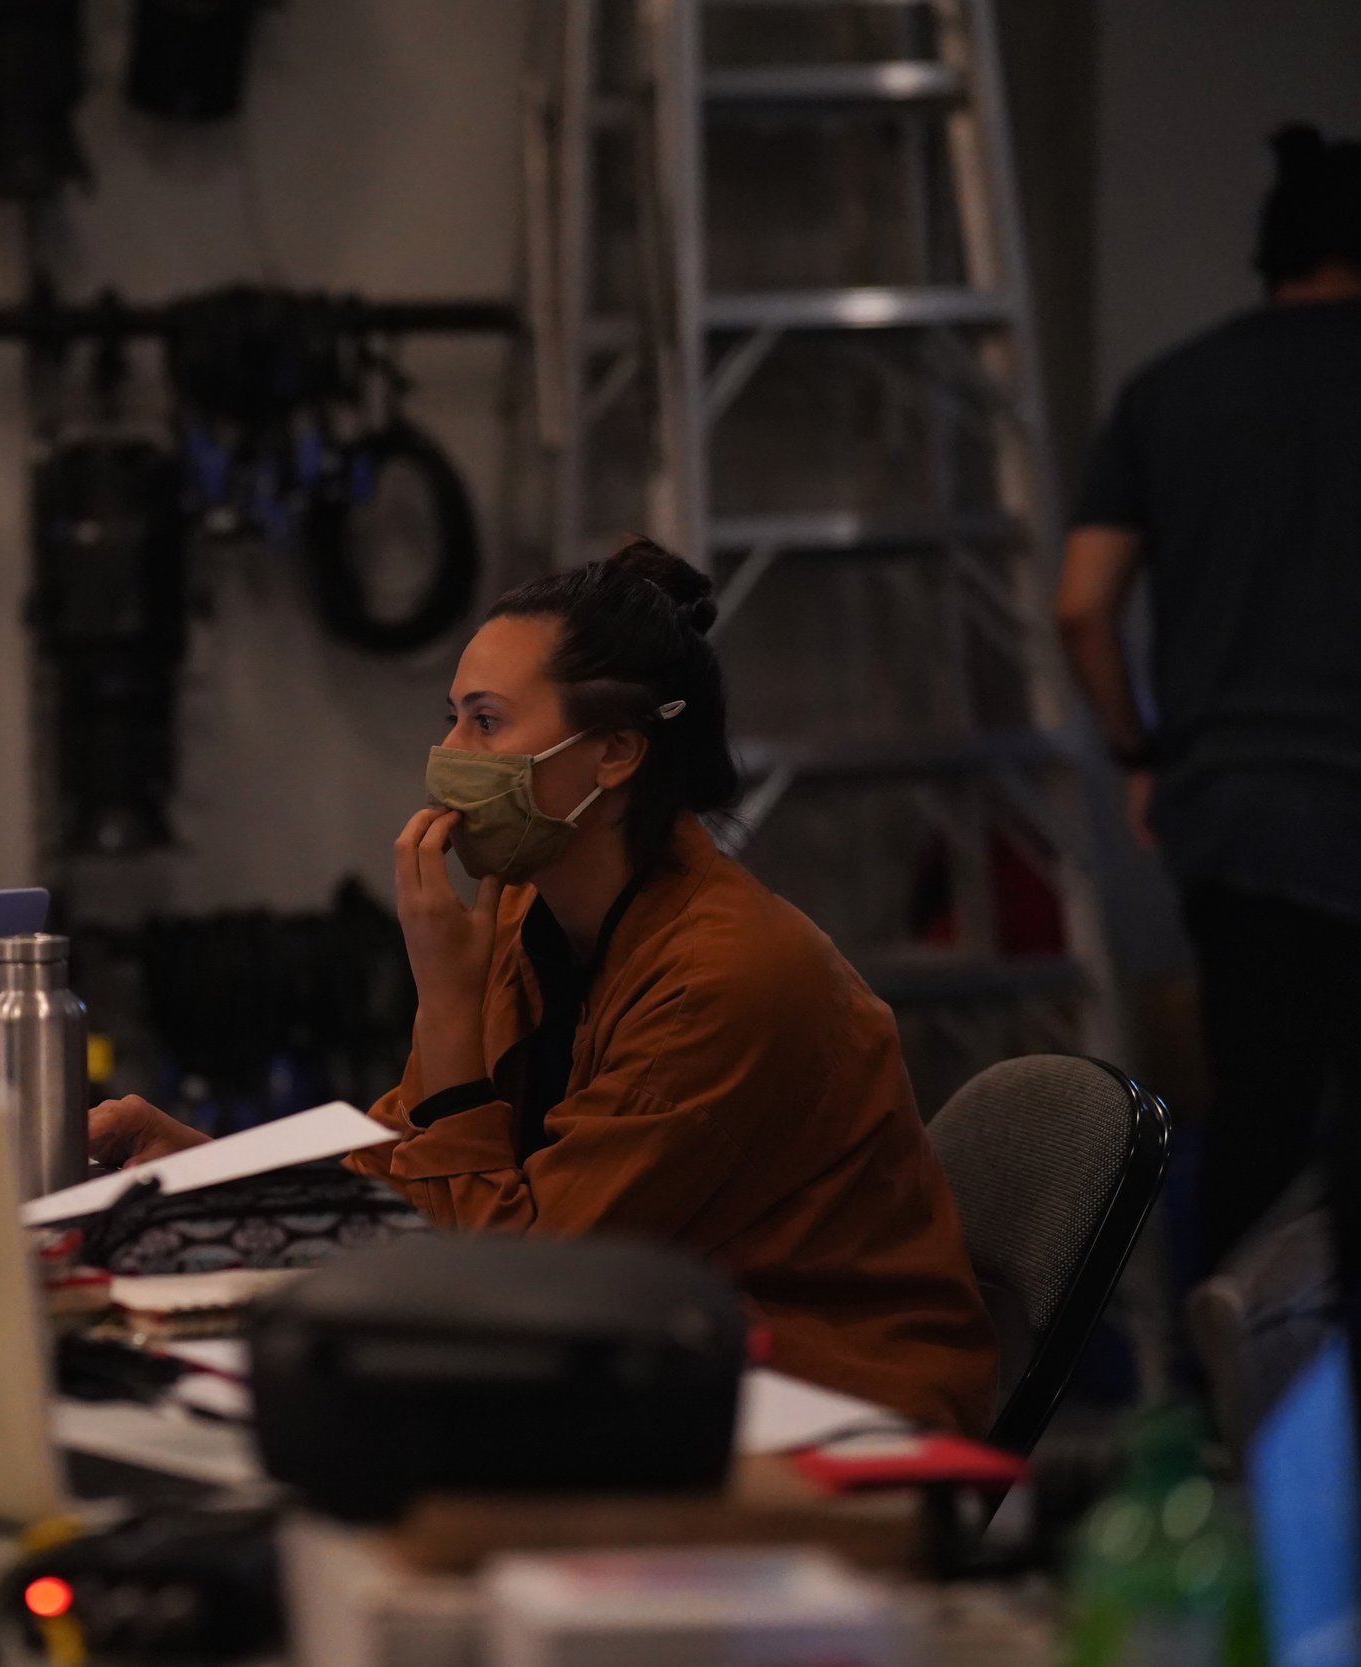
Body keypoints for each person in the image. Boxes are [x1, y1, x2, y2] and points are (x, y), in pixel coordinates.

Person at [93, 539, 998, 1435]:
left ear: (612, 754)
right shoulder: (529, 912)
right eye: (451, 719)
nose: (448, 755)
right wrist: (204, 1180)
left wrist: (446, 1007)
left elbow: (512, 1282)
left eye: (485, 722)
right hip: (656, 1369)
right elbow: (417, 1184)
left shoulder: (723, 975)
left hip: (822, 1417)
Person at [1056, 124, 1361, 1278]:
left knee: (1259, 1114)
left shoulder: (1172, 389)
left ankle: (1237, 1420)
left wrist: (1141, 750)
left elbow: (1082, 604)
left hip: (1239, 811)